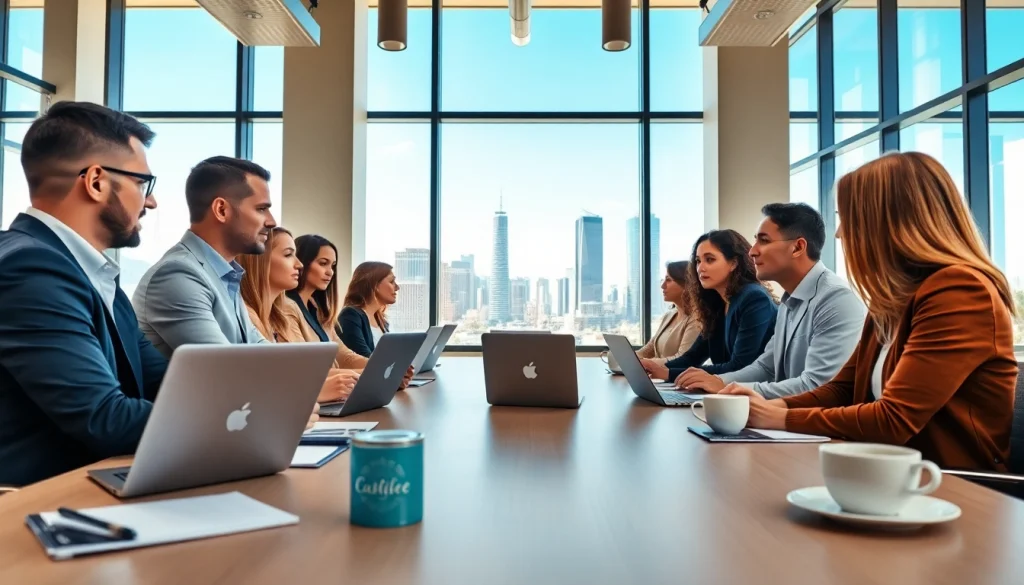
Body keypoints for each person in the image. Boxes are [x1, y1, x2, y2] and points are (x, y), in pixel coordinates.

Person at [722, 152, 1017, 471]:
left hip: (953, 487)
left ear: (889, 222)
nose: (839, 234)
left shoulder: (959, 290)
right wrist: (768, 406)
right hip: (885, 473)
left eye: (848, 218)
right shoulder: (894, 298)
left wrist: (781, 417)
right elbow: (842, 389)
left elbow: (894, 419)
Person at [0, 102, 167, 486]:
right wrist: (232, 419)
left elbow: (162, 381)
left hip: (96, 485)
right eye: (143, 184)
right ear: (96, 182)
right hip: (42, 510)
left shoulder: (94, 274)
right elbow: (105, 418)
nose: (151, 201)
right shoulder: (30, 270)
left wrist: (246, 404)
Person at [677, 203, 865, 397]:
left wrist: (728, 389)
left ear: (798, 247)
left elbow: (817, 386)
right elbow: (766, 367)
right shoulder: (789, 302)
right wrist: (719, 381)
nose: (752, 252)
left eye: (764, 241)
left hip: (810, 423)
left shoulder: (836, 300)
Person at [132, 156, 275, 355]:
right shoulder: (178, 274)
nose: (272, 221)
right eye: (261, 209)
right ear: (221, 210)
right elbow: (224, 368)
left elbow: (259, 348)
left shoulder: (224, 274)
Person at [238, 227, 365, 404]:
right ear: (260, 259)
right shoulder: (246, 315)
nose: (299, 265)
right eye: (288, 255)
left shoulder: (278, 317)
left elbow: (298, 371)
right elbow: (288, 377)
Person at [640, 230, 777, 385]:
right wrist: (651, 367)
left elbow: (740, 366)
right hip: (728, 393)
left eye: (710, 260)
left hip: (756, 396)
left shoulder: (753, 298)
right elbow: (693, 357)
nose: (700, 268)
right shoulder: (717, 303)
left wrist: (669, 373)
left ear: (733, 263)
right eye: (698, 261)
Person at [290, 235, 413, 387]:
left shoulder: (321, 312)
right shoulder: (288, 309)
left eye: (333, 266)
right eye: (323, 264)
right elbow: (305, 371)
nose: (330, 272)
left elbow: (345, 357)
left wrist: (389, 370)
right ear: (302, 263)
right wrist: (382, 373)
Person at [636, 261, 701, 364]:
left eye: (669, 280)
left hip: (675, 378)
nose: (662, 286)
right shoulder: (669, 315)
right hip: (656, 377)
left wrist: (645, 364)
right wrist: (628, 359)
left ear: (686, 284)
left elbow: (682, 358)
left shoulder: (697, 319)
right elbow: (650, 348)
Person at [340, 261, 399, 358]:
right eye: (392, 281)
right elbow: (363, 359)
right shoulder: (350, 316)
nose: (397, 287)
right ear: (374, 285)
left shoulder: (382, 321)